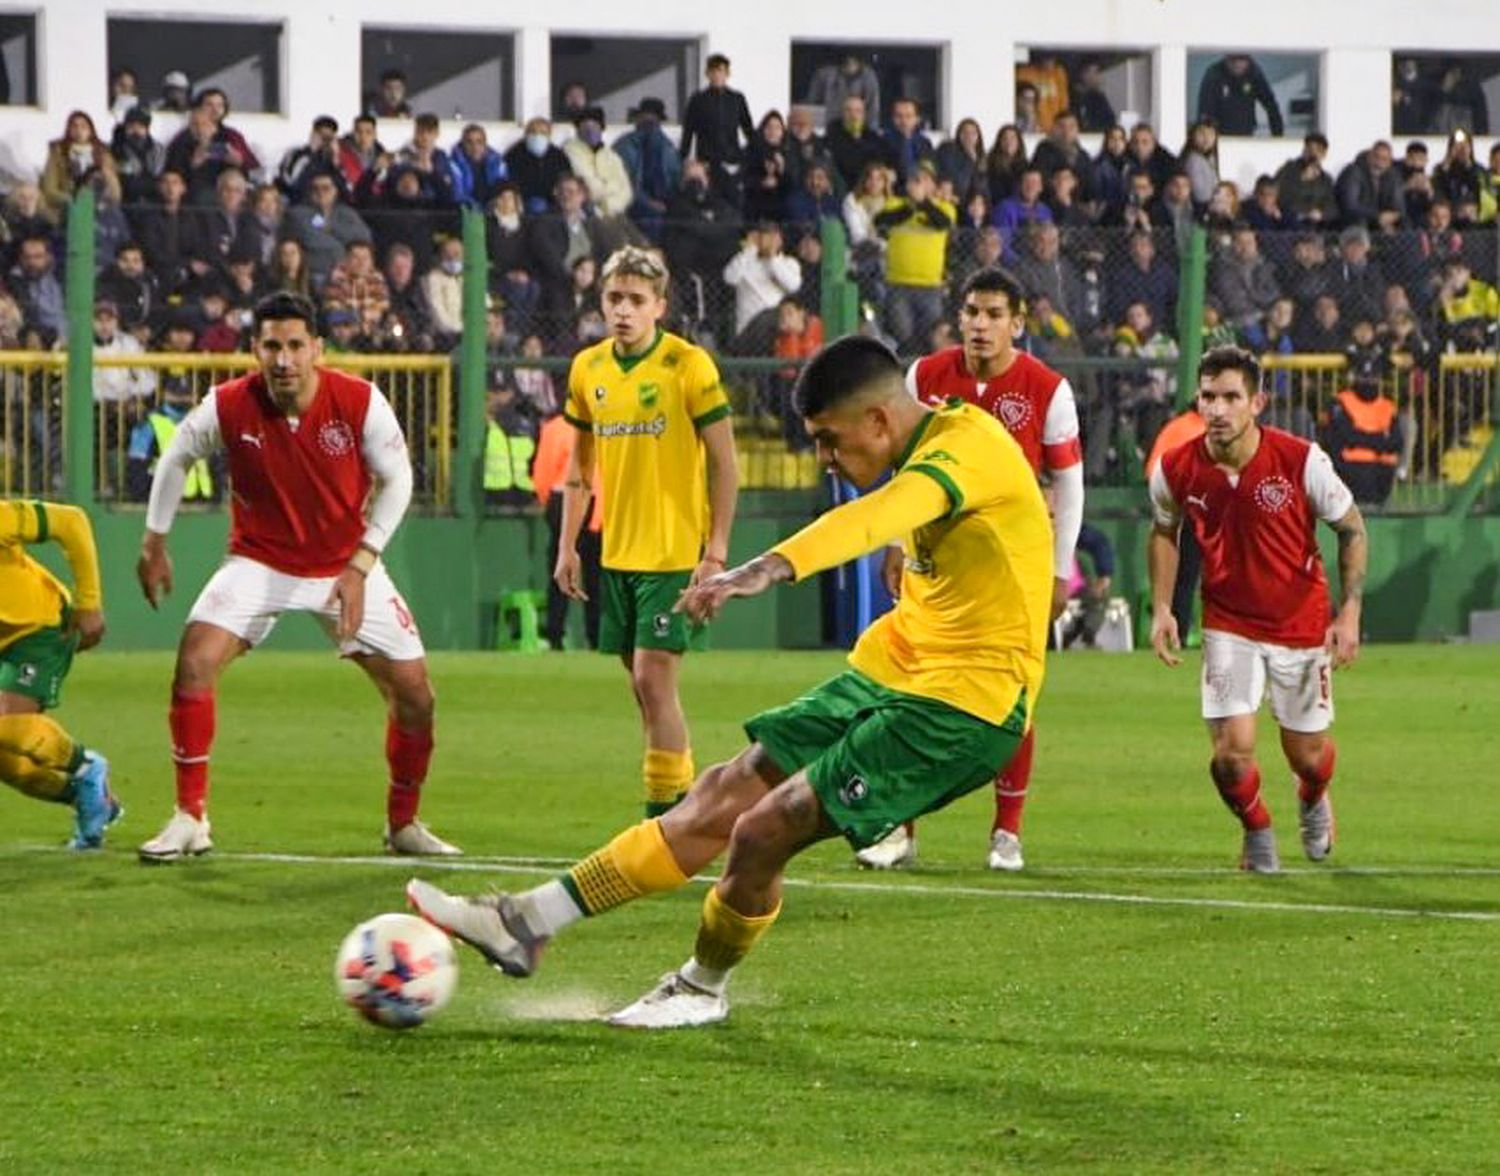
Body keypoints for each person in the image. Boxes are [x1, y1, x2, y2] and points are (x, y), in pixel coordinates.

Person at [405, 335, 1053, 1028]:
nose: (825, 459)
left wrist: (764, 568)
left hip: (963, 708)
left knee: (762, 830)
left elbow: (874, 517)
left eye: (829, 441)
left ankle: (700, 987)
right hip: (893, 669)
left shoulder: (968, 447)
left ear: (878, 422)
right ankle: (526, 920)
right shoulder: (922, 448)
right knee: (722, 791)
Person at [134, 293, 460, 862]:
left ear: (317, 349)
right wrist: (153, 540)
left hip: (344, 565)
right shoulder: (230, 403)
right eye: (270, 346)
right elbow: (176, 457)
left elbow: (399, 481)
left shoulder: (358, 402)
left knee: (415, 696)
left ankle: (403, 823)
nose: (282, 360)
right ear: (255, 349)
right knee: (194, 663)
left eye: (293, 346)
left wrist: (361, 563)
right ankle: (190, 817)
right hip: (259, 562)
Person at [857, 266, 1081, 872]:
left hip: (1014, 571)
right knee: (911, 688)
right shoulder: (924, 377)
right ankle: (898, 829)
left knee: (1014, 698)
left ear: (1018, 323)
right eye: (971, 313)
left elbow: (1070, 481)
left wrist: (1061, 571)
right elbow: (907, 466)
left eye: (993, 315)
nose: (980, 325)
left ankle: (1006, 833)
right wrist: (898, 541)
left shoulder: (1046, 389)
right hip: (937, 565)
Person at [1148, 346, 1366, 874]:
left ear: (1257, 403)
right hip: (1228, 622)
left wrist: (1349, 613)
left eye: (1230, 397)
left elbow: (1352, 528)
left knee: (1308, 756)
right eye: (1208, 397)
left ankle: (1313, 797)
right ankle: (1257, 828)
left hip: (1300, 622)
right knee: (1231, 753)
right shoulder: (1176, 468)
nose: (1217, 409)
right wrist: (1162, 608)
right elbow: (1163, 531)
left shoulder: (1300, 460)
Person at [553, 247, 738, 818]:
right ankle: (683, 798)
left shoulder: (689, 366)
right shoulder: (589, 369)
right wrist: (567, 546)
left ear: (660, 305)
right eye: (615, 298)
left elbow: (726, 463)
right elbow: (580, 468)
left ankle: (666, 820)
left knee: (652, 681)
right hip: (618, 551)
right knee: (643, 689)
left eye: (637, 300)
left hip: (674, 552)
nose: (624, 310)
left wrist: (716, 553)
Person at [0, 499, 119, 848]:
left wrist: (89, 602)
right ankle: (86, 796)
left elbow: (72, 521)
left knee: (6, 723)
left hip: (41, 627)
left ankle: (86, 766)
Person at [678, 54, 754, 203]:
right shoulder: (698, 99)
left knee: (734, 199)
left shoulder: (737, 99)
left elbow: (748, 128)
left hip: (732, 161)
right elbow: (688, 131)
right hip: (707, 161)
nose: (717, 75)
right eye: (713, 71)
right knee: (711, 199)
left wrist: (752, 155)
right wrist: (682, 159)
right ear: (707, 74)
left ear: (727, 74)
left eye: (721, 71)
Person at [1196, 54, 1284, 136]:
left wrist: (1278, 137)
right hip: (1220, 137)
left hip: (1246, 135)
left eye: (1242, 59)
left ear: (1248, 60)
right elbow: (1205, 113)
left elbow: (1271, 106)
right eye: (1233, 59)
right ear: (1226, 58)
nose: (1237, 64)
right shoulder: (1213, 75)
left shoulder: (1254, 73)